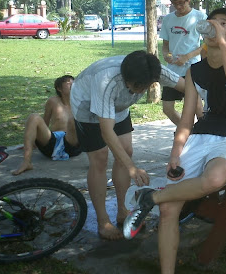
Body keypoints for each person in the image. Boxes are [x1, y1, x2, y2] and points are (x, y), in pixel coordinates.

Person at [122, 9, 226, 274]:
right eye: (213, 22)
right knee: (169, 210)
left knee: (215, 179)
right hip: (200, 136)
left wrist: (223, 46)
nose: (215, 26)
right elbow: (186, 120)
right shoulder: (195, 71)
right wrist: (175, 153)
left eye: (224, 24)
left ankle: (151, 196)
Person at [71, 50, 184, 241]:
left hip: (118, 107)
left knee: (126, 151)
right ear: (125, 78)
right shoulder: (107, 81)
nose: (138, 92)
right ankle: (102, 220)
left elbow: (187, 86)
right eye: (134, 88)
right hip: (86, 107)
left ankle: (122, 210)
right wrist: (132, 168)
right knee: (100, 158)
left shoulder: (152, 69)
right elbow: (107, 131)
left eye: (143, 87)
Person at [12, 75, 81, 175]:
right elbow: (44, 123)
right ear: (59, 88)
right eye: (68, 83)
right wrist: (31, 142)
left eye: (73, 82)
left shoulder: (80, 102)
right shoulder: (53, 101)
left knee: (73, 121)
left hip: (72, 144)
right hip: (52, 143)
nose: (72, 84)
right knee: (33, 117)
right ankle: (27, 162)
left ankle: (95, 161)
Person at [160, 0, 207, 125]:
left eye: (181, 3)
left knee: (197, 107)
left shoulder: (200, 17)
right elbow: (165, 45)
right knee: (167, 108)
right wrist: (166, 55)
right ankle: (187, 130)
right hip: (172, 71)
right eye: (174, 4)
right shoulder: (168, 19)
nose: (178, 7)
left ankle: (204, 131)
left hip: (192, 69)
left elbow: (207, 44)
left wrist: (187, 56)